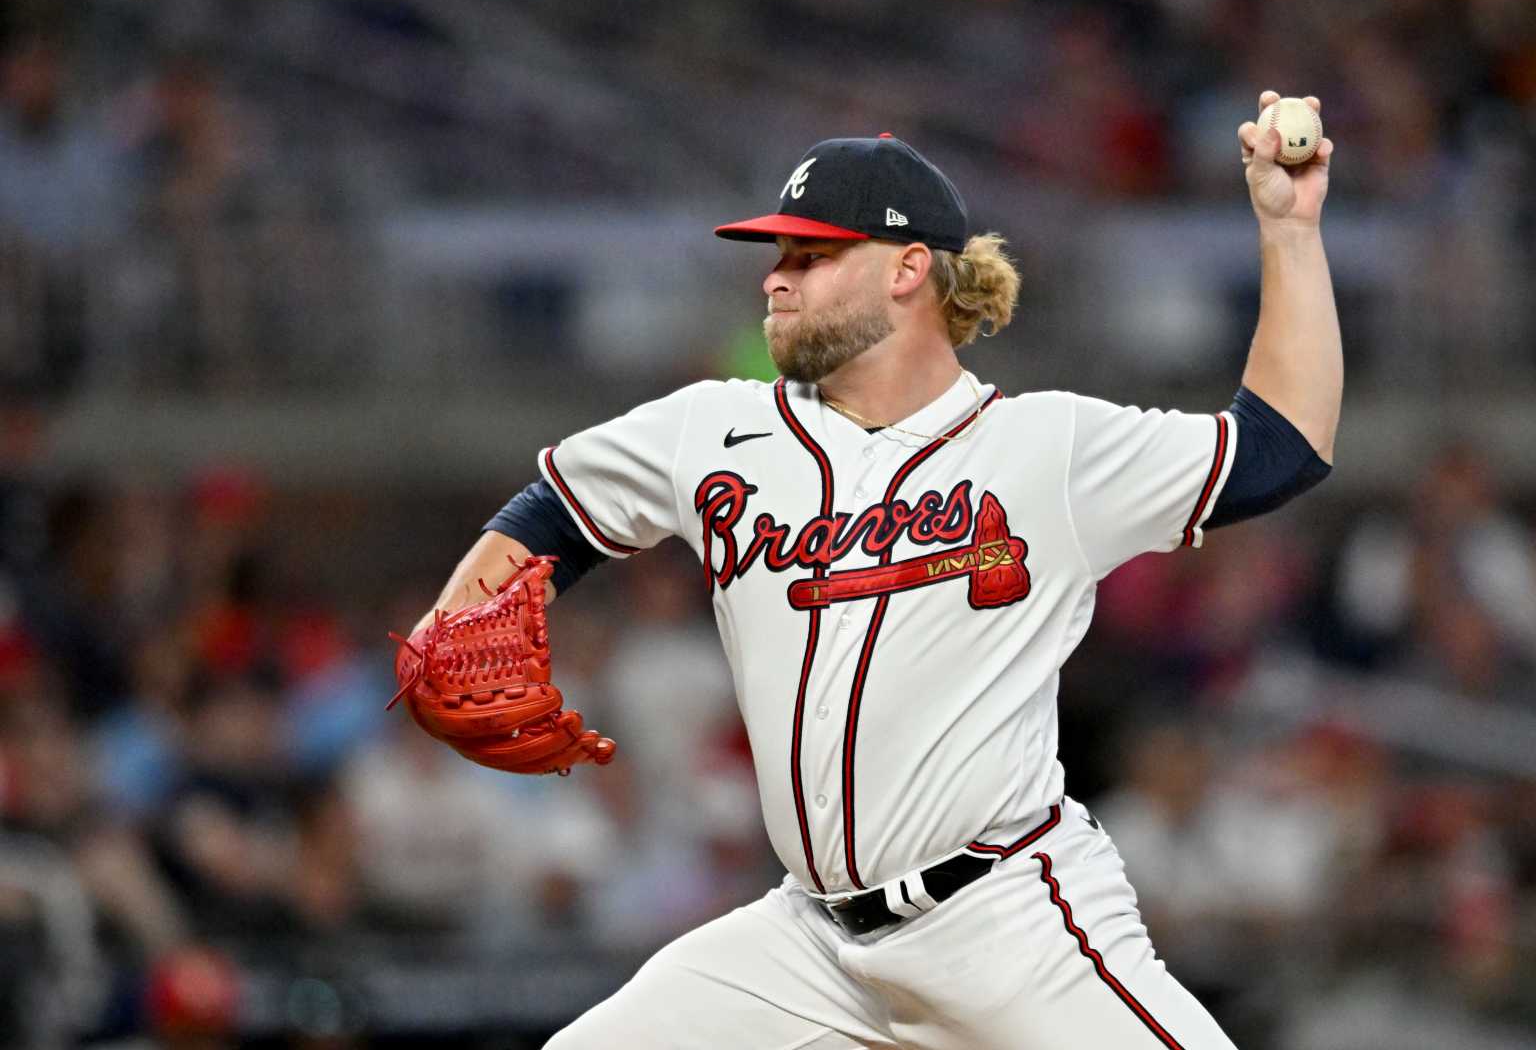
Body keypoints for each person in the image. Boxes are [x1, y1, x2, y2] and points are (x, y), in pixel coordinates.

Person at [411, 91, 1340, 1048]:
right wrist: (455, 627)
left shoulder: (1046, 447)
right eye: (778, 255)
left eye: (812, 256)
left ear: (907, 269)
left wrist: (1291, 230)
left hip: (1006, 920)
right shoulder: (717, 428)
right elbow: (552, 510)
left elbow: (1279, 448)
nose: (777, 279)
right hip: (808, 942)